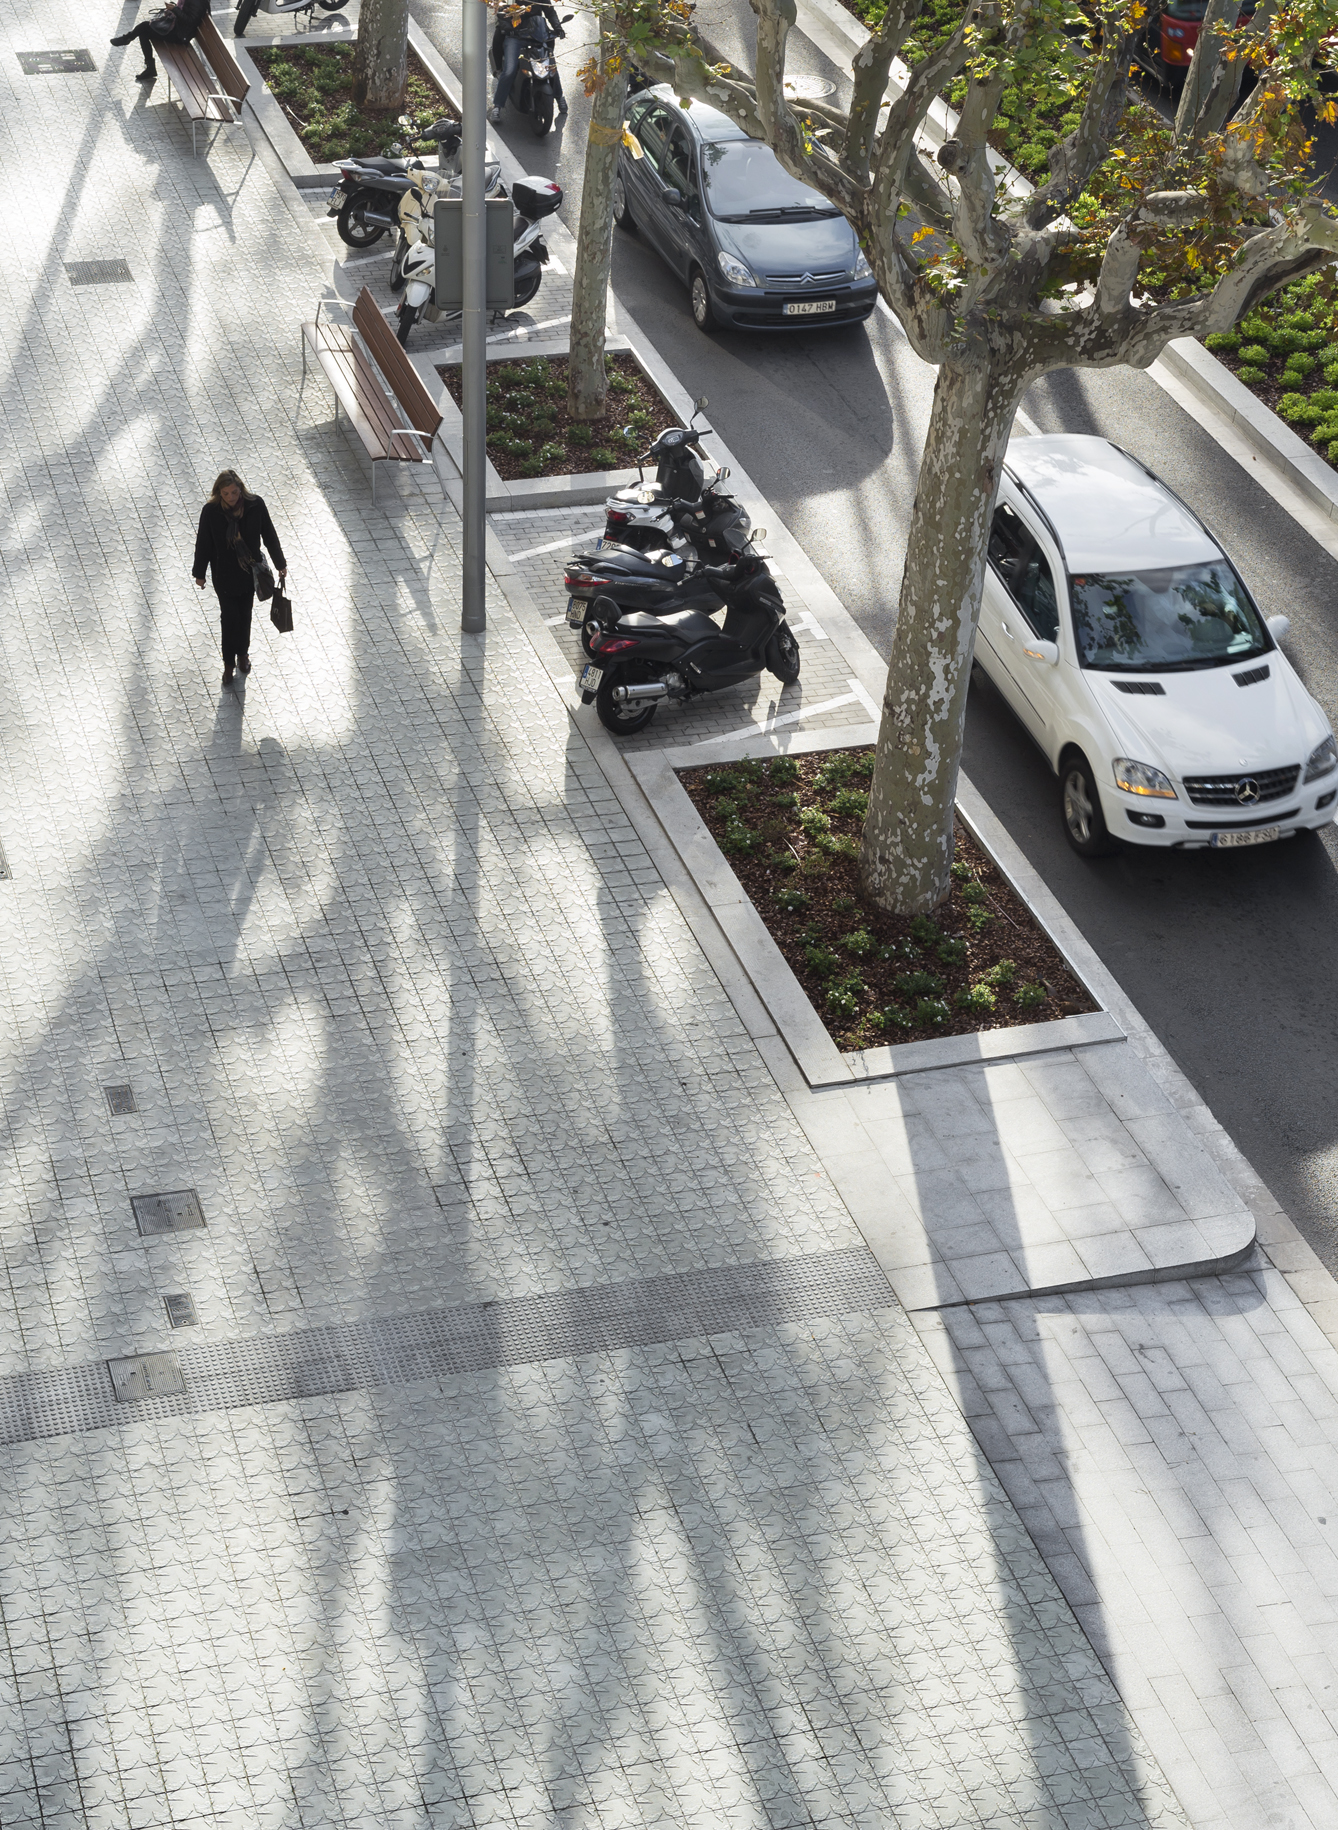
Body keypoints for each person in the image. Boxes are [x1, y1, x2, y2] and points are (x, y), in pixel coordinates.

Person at [192, 470, 287, 688]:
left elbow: (270, 536)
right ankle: (228, 664)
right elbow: (204, 544)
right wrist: (200, 573)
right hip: (223, 575)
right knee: (229, 618)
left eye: (234, 492)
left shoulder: (255, 506)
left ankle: (243, 654)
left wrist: (280, 564)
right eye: (226, 493)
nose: (231, 497)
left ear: (240, 489)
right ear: (219, 493)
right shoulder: (211, 512)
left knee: (245, 615)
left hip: (248, 573)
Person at [488, 0, 567, 124]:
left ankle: (559, 96)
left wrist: (558, 27)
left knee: (550, 66)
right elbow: (502, 7)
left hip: (536, 36)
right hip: (515, 37)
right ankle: (497, 106)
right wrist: (504, 19)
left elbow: (550, 12)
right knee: (509, 71)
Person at [111, 0, 210, 83]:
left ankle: (127, 39)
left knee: (144, 28)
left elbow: (190, 21)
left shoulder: (197, 1)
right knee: (144, 30)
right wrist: (174, 8)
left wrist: (174, 9)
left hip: (180, 36)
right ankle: (148, 66)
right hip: (177, 28)